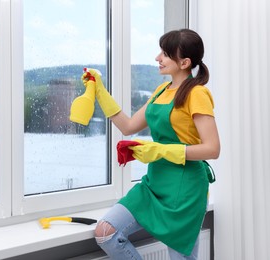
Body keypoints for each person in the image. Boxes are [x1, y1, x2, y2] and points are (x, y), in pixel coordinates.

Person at [82, 28, 220, 260]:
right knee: (106, 231)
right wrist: (100, 91)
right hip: (155, 183)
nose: (158, 58)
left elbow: (212, 149)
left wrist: (160, 149)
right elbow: (128, 126)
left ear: (185, 62)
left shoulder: (197, 94)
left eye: (165, 54)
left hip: (186, 190)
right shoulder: (161, 91)